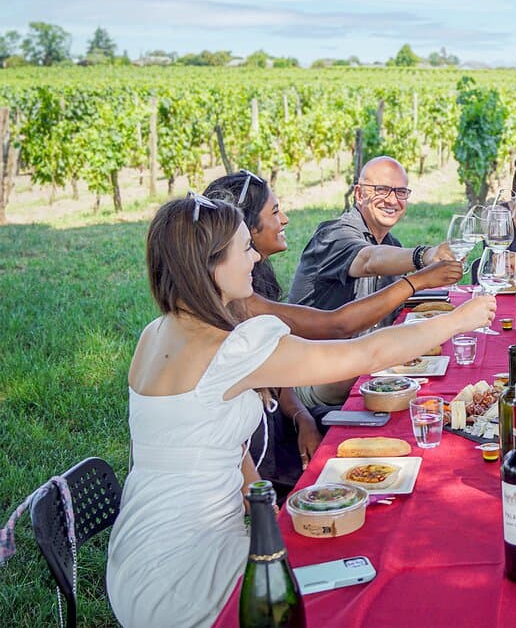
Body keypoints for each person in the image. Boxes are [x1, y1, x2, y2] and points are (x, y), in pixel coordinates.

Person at [106, 195, 495, 627]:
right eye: (244, 248)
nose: (255, 257)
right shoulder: (234, 348)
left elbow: (220, 444)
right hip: (187, 571)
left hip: (135, 550)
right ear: (210, 265)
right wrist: (458, 320)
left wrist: (266, 509)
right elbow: (367, 353)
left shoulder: (155, 333)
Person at [203, 171, 462, 491]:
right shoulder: (330, 238)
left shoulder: (252, 281)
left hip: (286, 405)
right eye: (274, 212)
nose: (285, 219)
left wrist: (301, 417)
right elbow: (338, 323)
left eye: (401, 191)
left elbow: (270, 365)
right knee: (382, 374)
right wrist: (420, 277)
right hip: (279, 425)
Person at [288, 156, 456, 405]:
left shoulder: (391, 245)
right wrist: (425, 256)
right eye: (381, 190)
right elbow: (368, 259)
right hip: (314, 375)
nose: (392, 199)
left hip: (363, 363)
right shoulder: (333, 235)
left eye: (400, 191)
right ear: (359, 194)